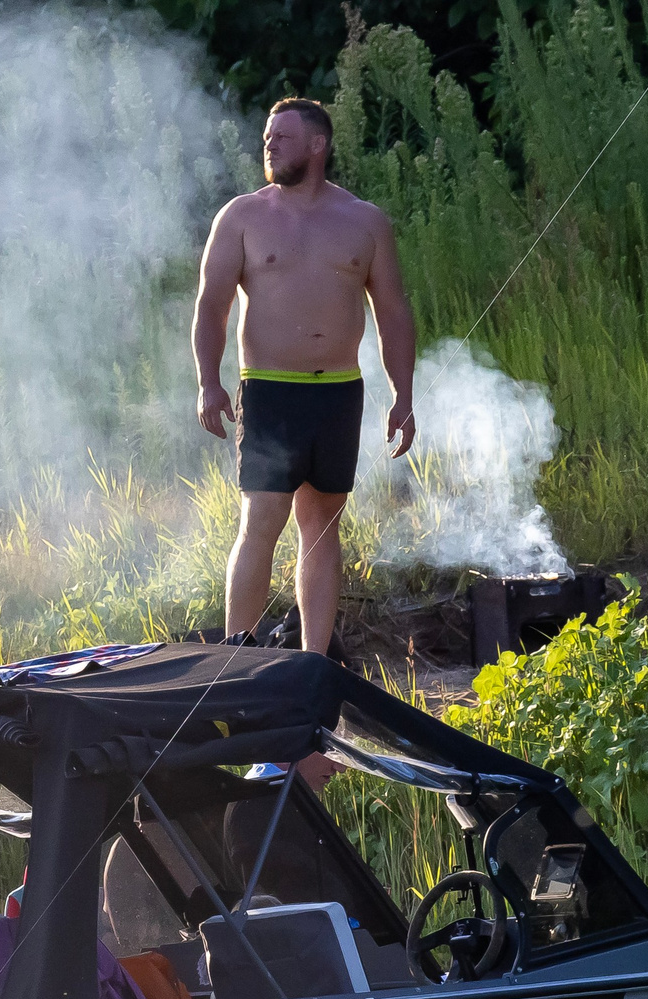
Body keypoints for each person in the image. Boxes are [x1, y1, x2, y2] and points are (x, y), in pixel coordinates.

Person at [192, 97, 417, 655]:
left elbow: (392, 311)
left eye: (282, 138)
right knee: (261, 522)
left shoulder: (364, 221)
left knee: (321, 531)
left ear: (318, 145)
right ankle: (237, 661)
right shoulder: (242, 216)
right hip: (270, 392)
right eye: (267, 138)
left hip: (338, 394)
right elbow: (209, 306)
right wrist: (208, 381)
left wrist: (403, 395)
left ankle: (312, 662)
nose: (270, 146)